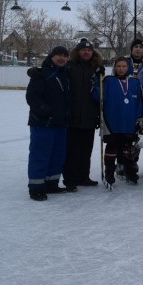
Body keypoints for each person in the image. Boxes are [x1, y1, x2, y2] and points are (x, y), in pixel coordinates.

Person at [26, 46, 73, 201]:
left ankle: (51, 184)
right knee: (40, 155)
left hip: (60, 125)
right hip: (43, 124)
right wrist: (46, 112)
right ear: (51, 56)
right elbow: (32, 97)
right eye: (58, 55)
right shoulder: (41, 74)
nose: (62, 58)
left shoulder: (64, 74)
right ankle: (36, 188)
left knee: (57, 156)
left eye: (65, 56)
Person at [93, 56, 143, 188]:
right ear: (114, 67)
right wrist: (96, 78)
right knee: (112, 148)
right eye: (118, 66)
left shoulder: (134, 82)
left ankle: (129, 171)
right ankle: (109, 173)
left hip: (129, 122)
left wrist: (139, 117)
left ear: (128, 68)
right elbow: (99, 97)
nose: (121, 69)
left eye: (123, 66)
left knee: (127, 149)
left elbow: (140, 101)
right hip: (112, 121)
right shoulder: (108, 80)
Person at [64, 39, 103, 189]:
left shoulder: (96, 69)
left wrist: (99, 115)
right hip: (72, 116)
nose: (86, 52)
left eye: (89, 50)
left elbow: (100, 94)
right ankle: (70, 179)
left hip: (89, 116)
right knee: (72, 150)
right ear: (78, 51)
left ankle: (83, 176)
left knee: (86, 150)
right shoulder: (69, 66)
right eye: (83, 50)